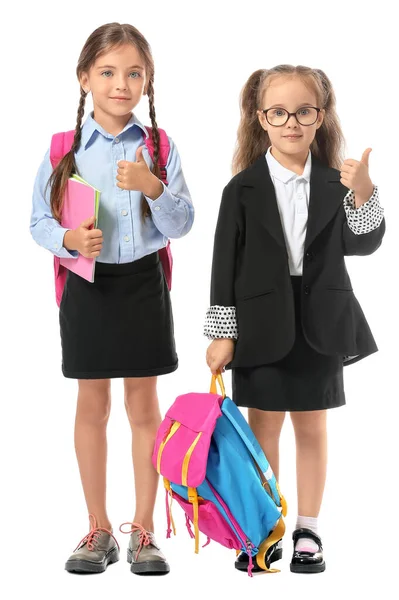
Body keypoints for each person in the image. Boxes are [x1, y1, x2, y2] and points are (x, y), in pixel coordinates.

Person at [204, 65, 385, 574]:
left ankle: (307, 529)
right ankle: (264, 529)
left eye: (304, 111)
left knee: (312, 427)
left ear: (320, 117)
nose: (291, 122)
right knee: (263, 429)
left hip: (320, 320)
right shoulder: (240, 189)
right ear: (261, 118)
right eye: (279, 112)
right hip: (260, 324)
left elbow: (364, 243)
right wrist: (222, 332)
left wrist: (364, 194)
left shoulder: (337, 182)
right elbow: (224, 265)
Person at [30, 22, 194, 576]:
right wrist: (69, 240)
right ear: (84, 79)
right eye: (107, 72)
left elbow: (183, 222)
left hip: (144, 284)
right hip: (88, 287)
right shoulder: (65, 148)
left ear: (147, 82)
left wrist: (153, 186)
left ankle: (143, 531)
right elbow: (38, 221)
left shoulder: (159, 147)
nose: (120, 84)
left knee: (144, 408)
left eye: (133, 73)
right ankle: (98, 528)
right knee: (91, 406)